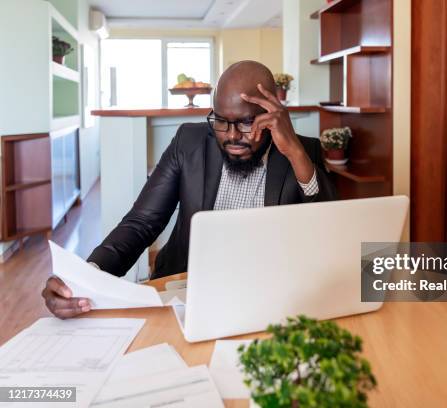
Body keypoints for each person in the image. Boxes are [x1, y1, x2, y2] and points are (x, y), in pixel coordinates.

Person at [42, 61, 336, 319]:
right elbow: (141, 223)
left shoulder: (303, 151)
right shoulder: (189, 142)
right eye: (221, 120)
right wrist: (88, 278)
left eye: (247, 123)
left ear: (273, 116)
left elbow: (329, 230)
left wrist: (296, 154)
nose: (232, 135)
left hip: (267, 292)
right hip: (187, 288)